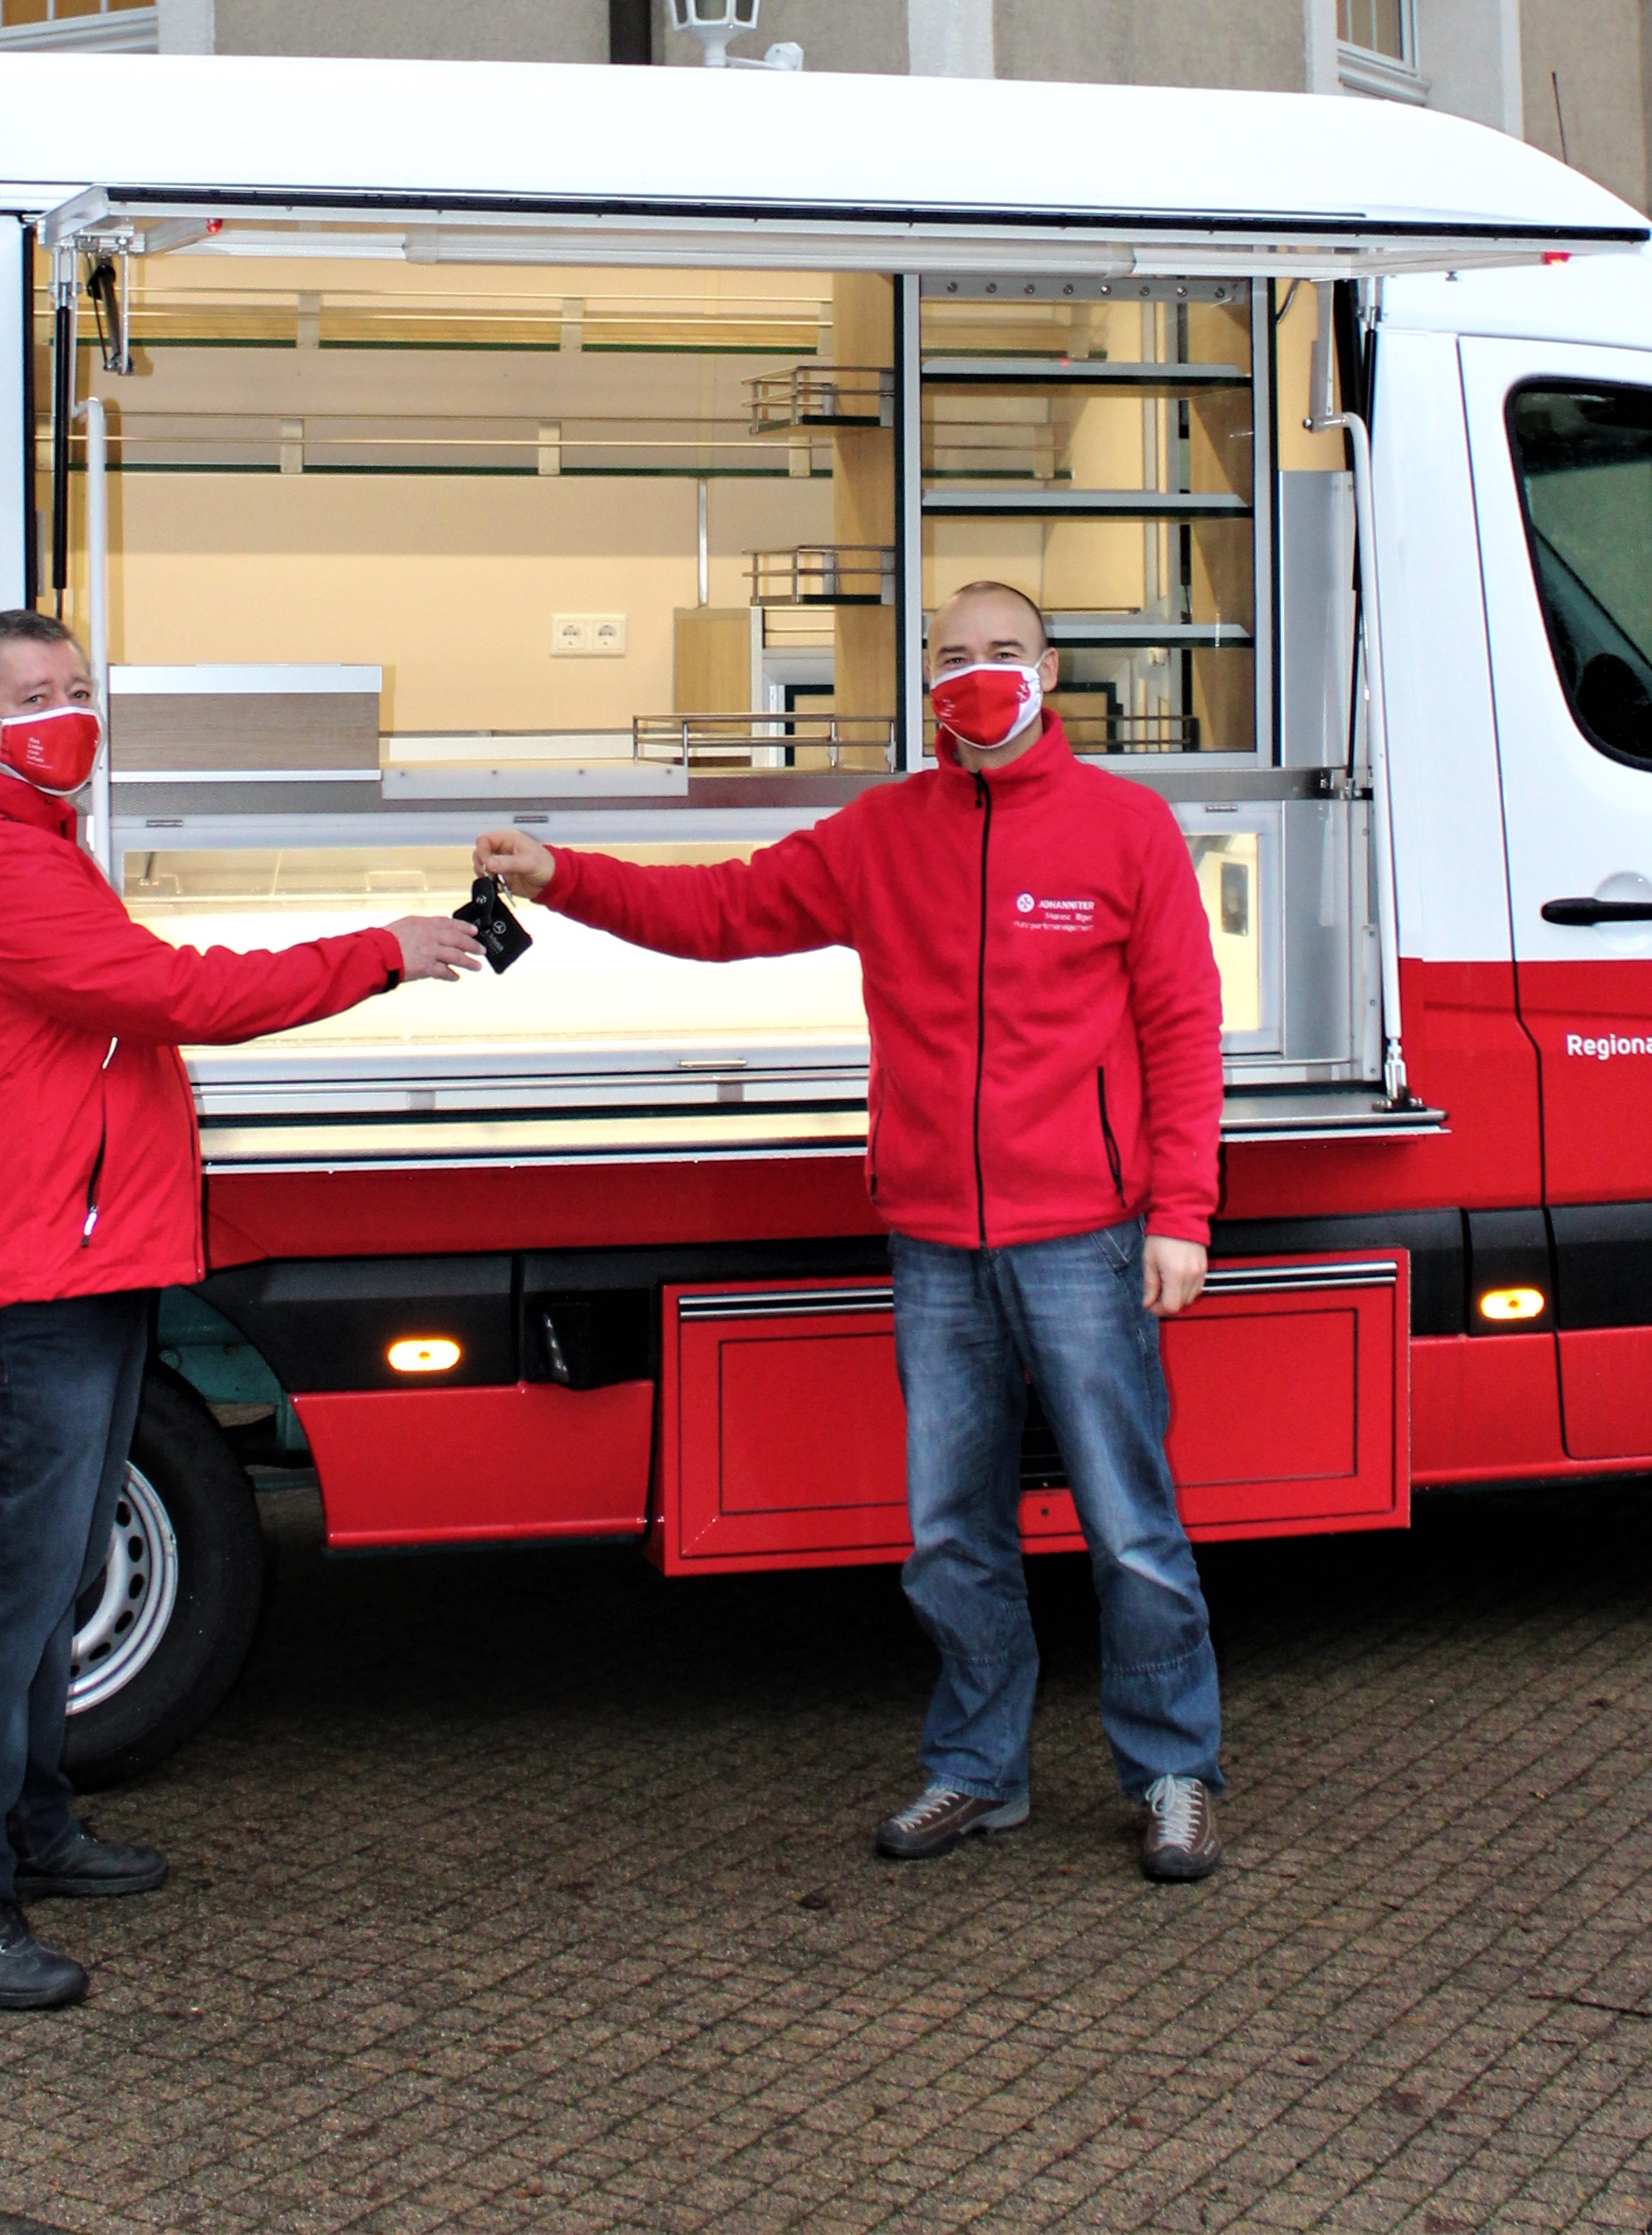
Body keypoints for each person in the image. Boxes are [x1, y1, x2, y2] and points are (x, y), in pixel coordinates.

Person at [476, 582, 1227, 1884]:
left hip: (1085, 1240)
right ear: (924, 681)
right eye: (954, 657)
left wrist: (1182, 1216)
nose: (980, 675)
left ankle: (1171, 1768)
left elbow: (1182, 1027)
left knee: (1131, 1523)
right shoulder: (885, 834)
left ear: (1051, 669)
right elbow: (718, 914)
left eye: (1005, 654)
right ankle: (977, 1771)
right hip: (936, 1240)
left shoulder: (1127, 828)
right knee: (949, 1528)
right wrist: (563, 880)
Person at [0, 608, 482, 2010]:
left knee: (53, 1574)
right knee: (12, 1591)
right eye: (33, 694)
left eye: (79, 687)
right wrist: (383, 947)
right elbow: (178, 995)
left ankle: (26, 1829)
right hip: (27, 1284)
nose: (66, 711)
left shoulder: (30, 852)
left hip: (73, 1266)